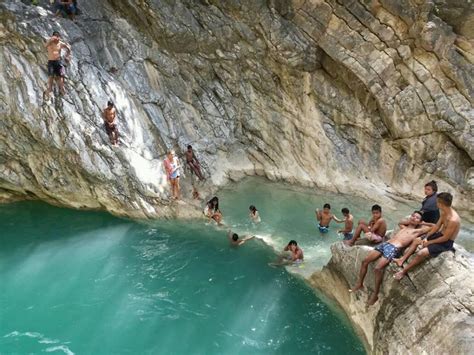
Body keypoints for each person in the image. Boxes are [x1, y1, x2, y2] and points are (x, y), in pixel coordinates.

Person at [349, 211, 430, 305]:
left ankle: (375, 295)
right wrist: (411, 221)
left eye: (417, 218)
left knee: (378, 268)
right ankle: (360, 284)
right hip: (386, 244)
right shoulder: (404, 227)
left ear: (420, 221)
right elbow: (400, 222)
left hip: (394, 248)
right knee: (365, 261)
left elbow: (433, 227)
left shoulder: (417, 231)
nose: (413, 218)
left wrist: (422, 223)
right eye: (413, 216)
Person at [394, 193, 460, 280]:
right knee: (417, 240)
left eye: (437, 202)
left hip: (446, 243)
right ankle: (402, 260)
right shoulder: (444, 212)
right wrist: (426, 237)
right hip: (439, 235)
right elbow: (436, 227)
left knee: (421, 253)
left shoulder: (453, 220)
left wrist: (429, 242)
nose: (436, 203)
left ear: (441, 204)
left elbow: (445, 238)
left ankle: (404, 271)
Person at [43, 31, 71, 99]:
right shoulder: (50, 42)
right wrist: (50, 40)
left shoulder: (60, 43)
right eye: (55, 36)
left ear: (59, 37)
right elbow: (45, 46)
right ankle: (49, 89)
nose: (56, 38)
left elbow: (68, 48)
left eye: (57, 37)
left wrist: (67, 56)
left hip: (58, 61)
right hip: (51, 62)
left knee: (61, 76)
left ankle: (62, 90)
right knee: (51, 76)